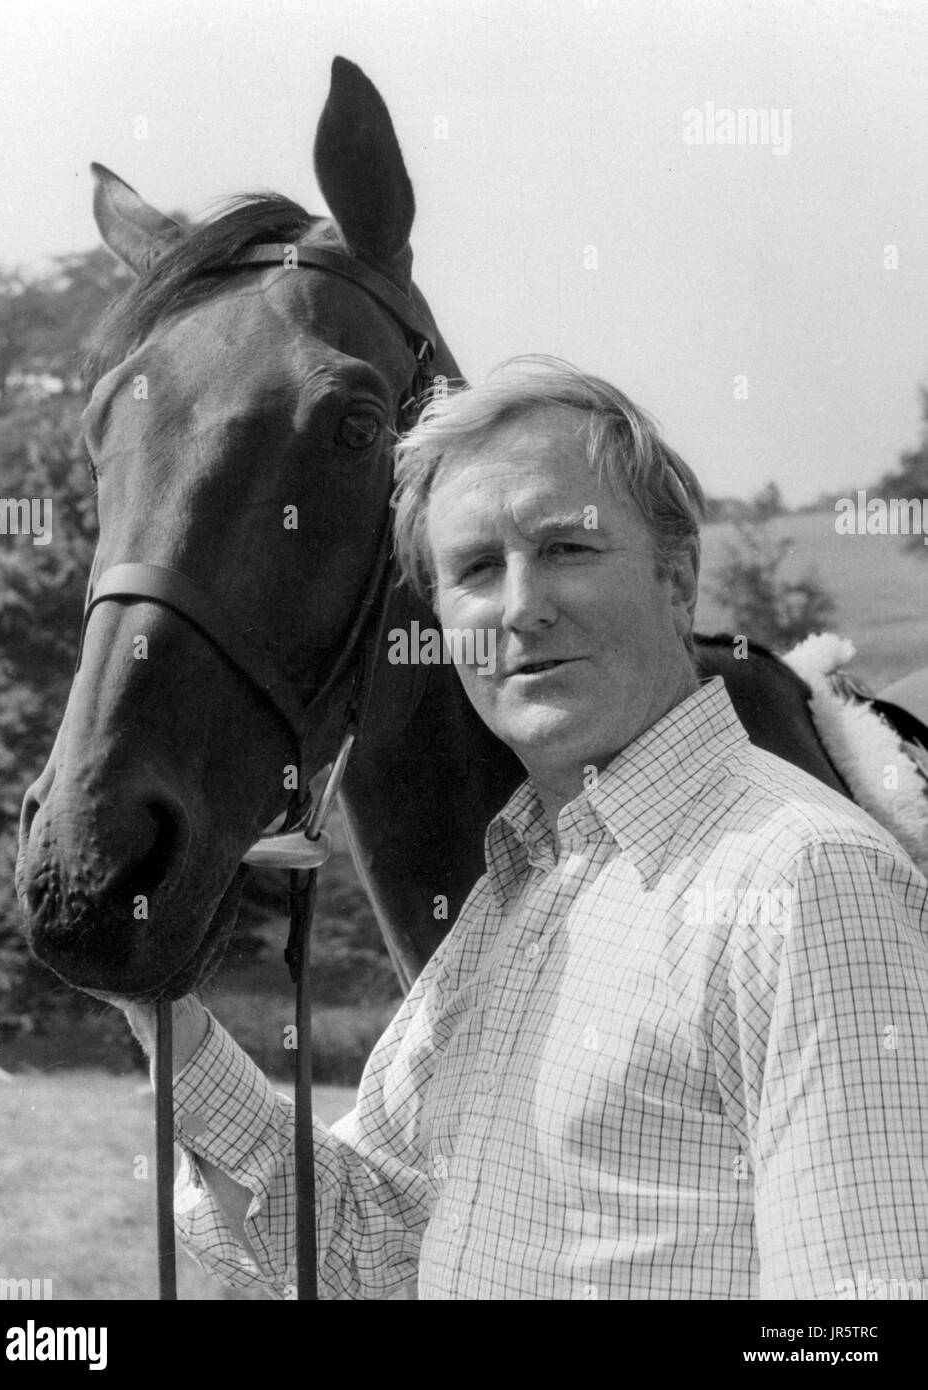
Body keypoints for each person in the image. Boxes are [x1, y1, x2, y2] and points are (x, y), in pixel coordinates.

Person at [122, 356, 928, 1300]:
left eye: (568, 549)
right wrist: (152, 991)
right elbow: (362, 1245)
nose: (520, 607)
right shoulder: (517, 887)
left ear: (678, 579)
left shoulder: (805, 881)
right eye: (473, 570)